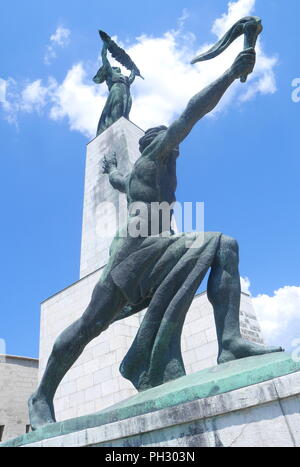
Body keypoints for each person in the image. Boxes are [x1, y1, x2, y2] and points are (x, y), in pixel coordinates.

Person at [29, 48, 282, 430]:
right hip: (133, 256)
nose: (176, 142)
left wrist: (113, 168)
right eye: (168, 138)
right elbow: (191, 113)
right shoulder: (155, 158)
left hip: (157, 251)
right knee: (88, 326)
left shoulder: (139, 176)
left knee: (224, 244)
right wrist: (230, 73)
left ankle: (229, 343)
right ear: (153, 144)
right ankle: (42, 394)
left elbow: (118, 180)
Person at [93, 42, 136, 136]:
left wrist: (134, 71)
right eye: (115, 68)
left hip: (126, 91)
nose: (117, 68)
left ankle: (123, 122)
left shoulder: (123, 77)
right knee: (117, 106)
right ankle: (116, 125)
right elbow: (104, 57)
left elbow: (130, 80)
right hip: (116, 89)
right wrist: (105, 44)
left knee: (126, 109)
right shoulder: (111, 73)